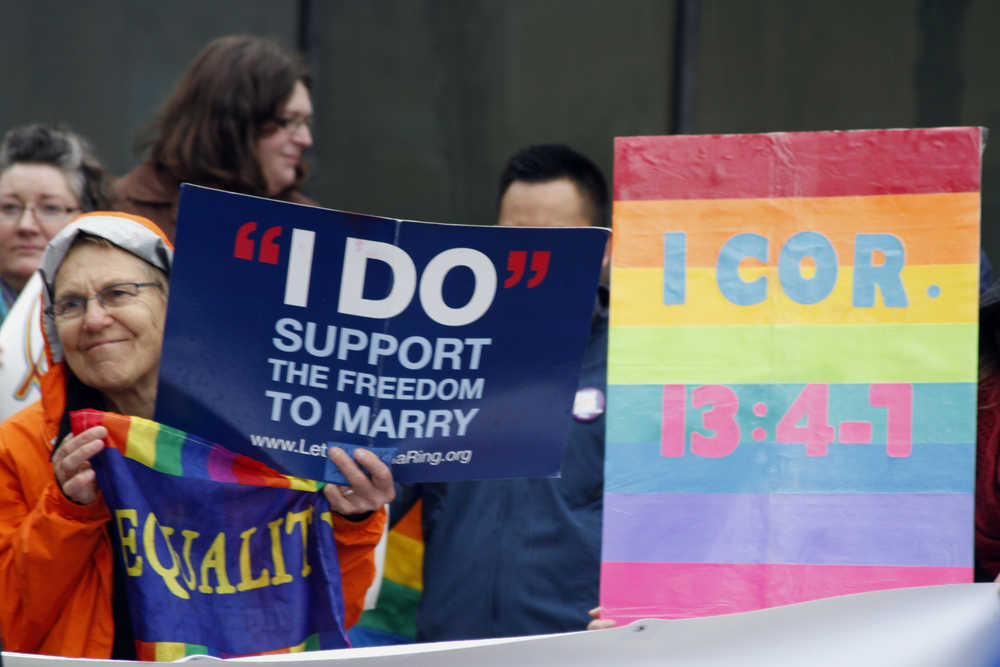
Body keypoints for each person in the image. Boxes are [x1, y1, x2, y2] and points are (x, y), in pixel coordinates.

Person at [0, 211, 393, 658]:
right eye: (70, 304)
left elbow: (334, 610)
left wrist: (353, 519)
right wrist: (67, 512)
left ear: (176, 302)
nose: (93, 319)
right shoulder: (19, 446)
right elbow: (12, 622)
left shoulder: (265, 432)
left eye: (117, 294)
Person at [390, 144, 610, 641]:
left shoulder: (639, 369)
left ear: (605, 250)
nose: (529, 260)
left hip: (584, 653)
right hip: (450, 650)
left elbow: (681, 535)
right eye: (512, 241)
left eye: (552, 243)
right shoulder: (439, 360)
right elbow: (375, 500)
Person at [115, 35, 314, 241]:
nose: (306, 140)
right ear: (233, 123)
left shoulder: (313, 228)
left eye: (306, 123)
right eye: (288, 121)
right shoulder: (120, 214)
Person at [0, 124, 113, 322]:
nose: (26, 226)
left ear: (88, 215)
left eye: (51, 208)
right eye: (10, 207)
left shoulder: (108, 313)